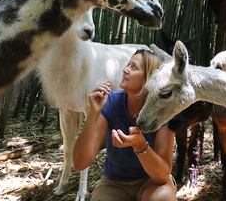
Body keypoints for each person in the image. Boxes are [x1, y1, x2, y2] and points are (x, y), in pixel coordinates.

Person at [73, 49, 176, 201]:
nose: (125, 70)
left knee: (161, 198)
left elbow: (162, 175)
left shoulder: (163, 111)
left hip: (151, 182)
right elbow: (80, 163)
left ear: (149, 78)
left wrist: (140, 146)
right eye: (128, 64)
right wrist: (92, 114)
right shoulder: (111, 103)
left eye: (133, 67)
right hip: (115, 183)